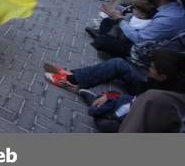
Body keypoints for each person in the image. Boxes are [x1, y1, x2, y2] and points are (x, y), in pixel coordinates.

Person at [43, 49, 185, 132]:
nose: (149, 68)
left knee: (108, 110)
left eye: (152, 68)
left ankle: (74, 84)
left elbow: (136, 103)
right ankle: (73, 77)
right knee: (118, 63)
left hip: (139, 103)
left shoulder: (161, 100)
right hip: (145, 89)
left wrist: (111, 96)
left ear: (163, 76)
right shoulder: (170, 75)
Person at [89, 0, 185, 58]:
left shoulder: (169, 18)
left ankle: (106, 43)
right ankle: (107, 40)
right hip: (139, 36)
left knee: (104, 40)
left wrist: (119, 19)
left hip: (143, 52)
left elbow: (139, 39)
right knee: (107, 22)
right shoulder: (166, 5)